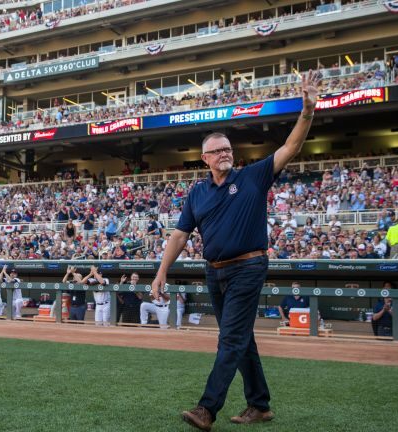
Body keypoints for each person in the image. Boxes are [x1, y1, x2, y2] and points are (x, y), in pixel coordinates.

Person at [153, 70, 321, 430]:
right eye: (217, 151)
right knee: (239, 338)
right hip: (214, 270)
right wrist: (162, 271)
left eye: (228, 148)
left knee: (229, 337)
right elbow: (180, 235)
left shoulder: (252, 176)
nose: (225, 154)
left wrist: (307, 111)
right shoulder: (197, 193)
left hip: (248, 267)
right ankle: (259, 405)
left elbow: (290, 148)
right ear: (205, 158)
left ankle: (206, 408)